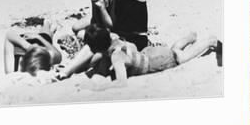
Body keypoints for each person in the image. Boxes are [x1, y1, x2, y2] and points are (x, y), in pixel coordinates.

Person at [84, 25, 222, 86]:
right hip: (149, 52)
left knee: (181, 57)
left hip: (157, 61)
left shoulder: (116, 56)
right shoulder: (116, 39)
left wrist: (103, 85)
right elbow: (132, 48)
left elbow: (122, 82)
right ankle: (188, 38)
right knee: (173, 49)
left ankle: (210, 41)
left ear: (97, 48)